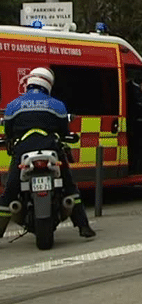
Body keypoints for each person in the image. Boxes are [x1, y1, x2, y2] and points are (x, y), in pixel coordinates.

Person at [0, 67, 96, 239]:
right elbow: (64, 131)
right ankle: (83, 226)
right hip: (51, 149)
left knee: (10, 190)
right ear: (48, 84)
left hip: (23, 151)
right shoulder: (57, 105)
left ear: (29, 83)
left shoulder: (13, 105)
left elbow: (8, 133)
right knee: (69, 185)